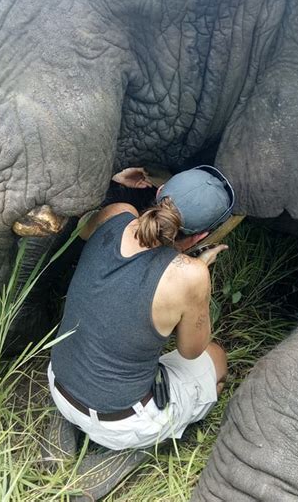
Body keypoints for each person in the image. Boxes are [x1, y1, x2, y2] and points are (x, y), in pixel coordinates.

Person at [48, 165, 234, 451]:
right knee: (216, 359)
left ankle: (72, 419)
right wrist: (199, 275)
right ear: (201, 237)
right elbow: (191, 350)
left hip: (59, 383)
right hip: (121, 424)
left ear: (159, 193)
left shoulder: (118, 212)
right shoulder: (190, 276)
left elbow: (84, 229)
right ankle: (132, 450)